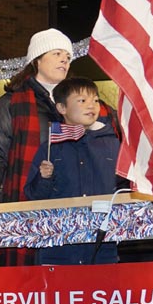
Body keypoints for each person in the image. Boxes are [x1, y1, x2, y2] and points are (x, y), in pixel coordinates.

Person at [0, 29, 120, 265]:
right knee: (29, 280)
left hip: (80, 203)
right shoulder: (11, 103)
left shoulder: (92, 104)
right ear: (37, 59)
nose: (64, 60)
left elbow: (116, 144)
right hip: (28, 198)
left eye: (67, 56)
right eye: (57, 53)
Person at [24, 77, 128, 265]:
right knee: (59, 294)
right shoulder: (51, 147)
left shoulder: (112, 144)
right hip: (58, 246)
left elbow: (124, 188)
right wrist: (44, 178)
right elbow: (33, 197)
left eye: (95, 100)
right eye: (82, 100)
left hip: (102, 246)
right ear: (62, 108)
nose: (91, 106)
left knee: (101, 293)